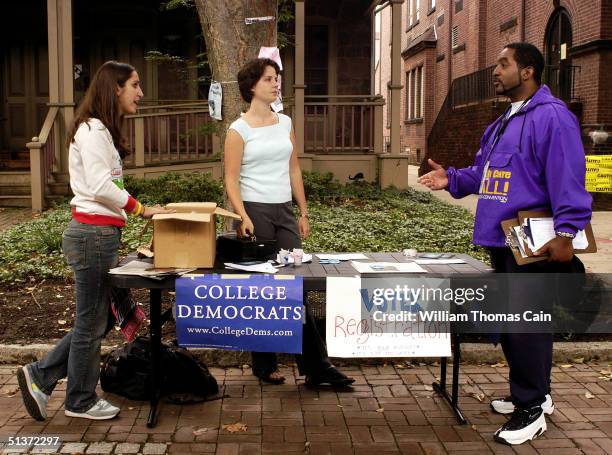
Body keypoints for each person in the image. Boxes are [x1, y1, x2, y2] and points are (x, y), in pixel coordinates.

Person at [418, 43, 591, 445]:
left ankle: (531, 408)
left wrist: (567, 233)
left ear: (527, 71)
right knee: (516, 325)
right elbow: (486, 173)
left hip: (535, 244)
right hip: (503, 238)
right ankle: (534, 394)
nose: (495, 70)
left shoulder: (552, 118)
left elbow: (569, 176)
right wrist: (454, 179)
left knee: (526, 325)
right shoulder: (502, 123)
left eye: (503, 63)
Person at [17, 61, 172, 421]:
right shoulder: (92, 130)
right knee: (91, 322)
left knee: (98, 321)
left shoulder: (98, 130)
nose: (140, 92)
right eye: (134, 85)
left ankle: (41, 376)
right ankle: (80, 400)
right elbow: (103, 187)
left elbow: (107, 184)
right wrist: (141, 209)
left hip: (98, 235)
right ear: (115, 88)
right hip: (92, 237)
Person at [224, 58, 354, 387]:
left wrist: (303, 211)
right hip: (255, 211)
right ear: (252, 86)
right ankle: (266, 364)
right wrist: (243, 215)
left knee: (295, 287)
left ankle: (314, 367)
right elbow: (231, 179)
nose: (276, 83)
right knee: (264, 290)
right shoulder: (238, 130)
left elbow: (294, 168)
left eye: (277, 78)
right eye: (269, 79)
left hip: (283, 211)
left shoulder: (285, 123)